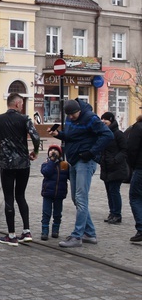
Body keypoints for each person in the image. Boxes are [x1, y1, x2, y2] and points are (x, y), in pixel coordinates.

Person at [50, 99, 113, 248]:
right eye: (69, 115)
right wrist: (58, 134)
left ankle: (77, 236)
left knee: (80, 197)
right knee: (76, 198)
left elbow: (108, 135)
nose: (71, 117)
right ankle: (90, 234)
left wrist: (91, 152)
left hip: (86, 162)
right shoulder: (70, 118)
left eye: (73, 114)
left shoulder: (91, 118)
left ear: (79, 110)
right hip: (74, 160)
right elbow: (71, 137)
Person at [0, 93, 41, 245]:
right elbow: (36, 137)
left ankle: (11, 235)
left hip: (7, 165)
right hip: (23, 164)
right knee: (21, 195)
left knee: (9, 198)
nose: (22, 106)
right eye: (22, 104)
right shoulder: (25, 119)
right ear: (17, 104)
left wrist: (1, 156)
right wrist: (35, 151)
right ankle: (26, 231)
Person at [99, 111, 128, 224]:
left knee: (114, 191)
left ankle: (117, 214)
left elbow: (124, 150)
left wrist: (115, 160)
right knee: (109, 192)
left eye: (105, 119)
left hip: (117, 168)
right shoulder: (103, 133)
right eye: (102, 120)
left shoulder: (118, 134)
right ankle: (112, 212)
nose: (103, 122)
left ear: (111, 120)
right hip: (106, 168)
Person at [40, 145, 69, 241]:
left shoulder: (64, 164)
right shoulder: (46, 163)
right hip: (48, 193)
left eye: (55, 150)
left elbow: (69, 176)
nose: (53, 151)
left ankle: (55, 230)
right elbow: (46, 172)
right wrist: (52, 161)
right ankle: (45, 230)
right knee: (46, 212)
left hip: (59, 194)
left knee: (57, 213)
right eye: (51, 150)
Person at [127, 108, 142, 242]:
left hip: (140, 168)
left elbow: (131, 148)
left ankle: (141, 228)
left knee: (135, 197)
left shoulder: (138, 127)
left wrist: (132, 165)